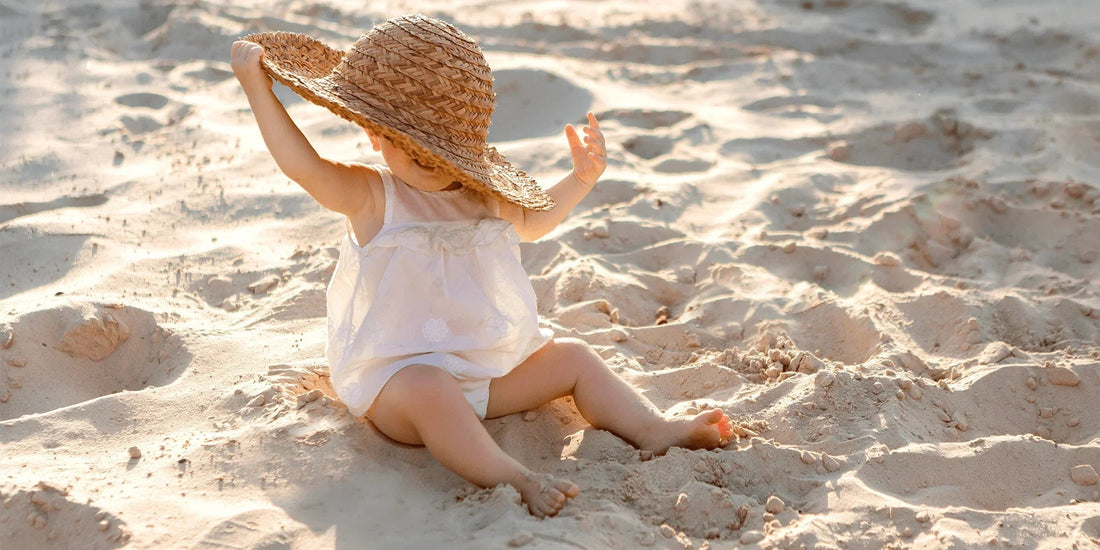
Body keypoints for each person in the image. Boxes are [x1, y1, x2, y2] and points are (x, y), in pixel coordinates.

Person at [231, 14, 733, 518]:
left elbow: (535, 223)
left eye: (434, 147)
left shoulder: (483, 197)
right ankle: (515, 476)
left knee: (576, 358)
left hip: (487, 368)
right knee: (431, 390)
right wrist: (258, 89)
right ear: (374, 134)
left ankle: (652, 429)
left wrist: (580, 180)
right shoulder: (371, 196)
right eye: (407, 143)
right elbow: (303, 165)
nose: (422, 156)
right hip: (399, 382)